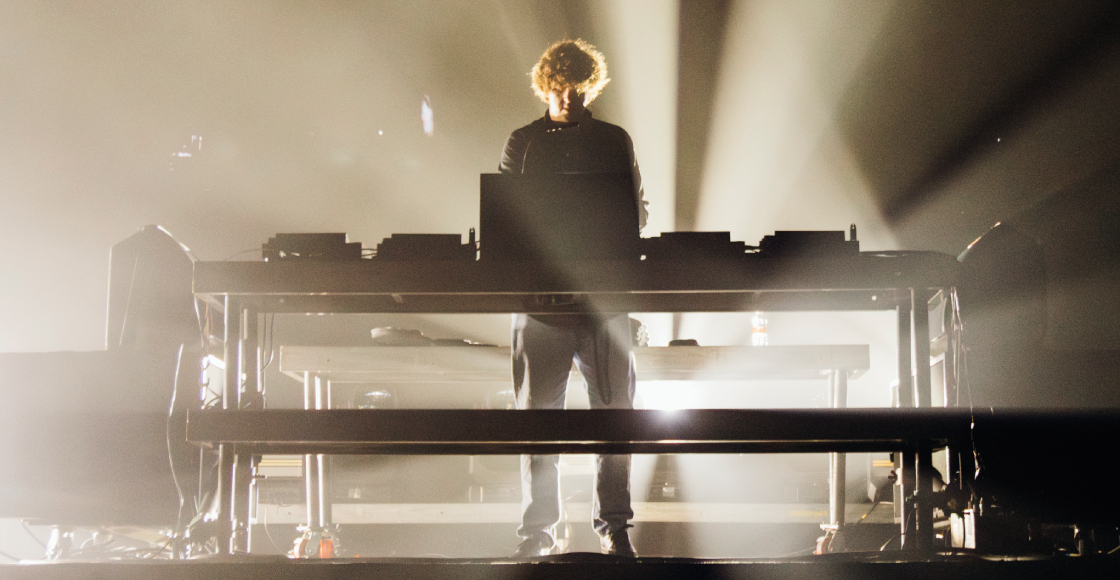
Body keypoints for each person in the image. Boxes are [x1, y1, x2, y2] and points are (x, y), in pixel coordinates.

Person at [499, 38, 647, 558]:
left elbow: (634, 216)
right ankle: (548, 532)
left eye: (576, 90)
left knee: (610, 417)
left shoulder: (607, 140)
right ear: (545, 86)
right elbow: (508, 222)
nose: (567, 98)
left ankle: (607, 527)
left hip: (594, 303)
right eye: (559, 88)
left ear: (589, 88)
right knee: (545, 424)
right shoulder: (525, 142)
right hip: (554, 304)